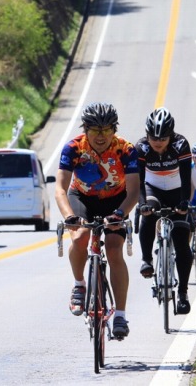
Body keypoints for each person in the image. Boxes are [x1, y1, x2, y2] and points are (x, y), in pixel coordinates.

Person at [55, 102, 139, 338]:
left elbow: (133, 192)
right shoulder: (73, 148)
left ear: (114, 129)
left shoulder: (126, 149)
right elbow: (60, 189)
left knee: (114, 250)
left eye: (106, 130)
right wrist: (69, 216)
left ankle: (120, 315)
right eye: (95, 131)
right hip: (81, 196)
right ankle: (79, 284)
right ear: (85, 130)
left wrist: (121, 214)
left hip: (116, 200)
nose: (101, 136)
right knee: (80, 236)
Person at [135, 107, 194, 314]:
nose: (157, 142)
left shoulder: (180, 144)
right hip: (153, 188)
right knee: (149, 212)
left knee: (180, 239)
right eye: (153, 137)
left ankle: (183, 293)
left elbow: (187, 179)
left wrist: (184, 202)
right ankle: (147, 259)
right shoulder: (141, 147)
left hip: (177, 188)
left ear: (171, 136)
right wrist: (142, 204)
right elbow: (139, 181)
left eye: (163, 138)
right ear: (147, 135)